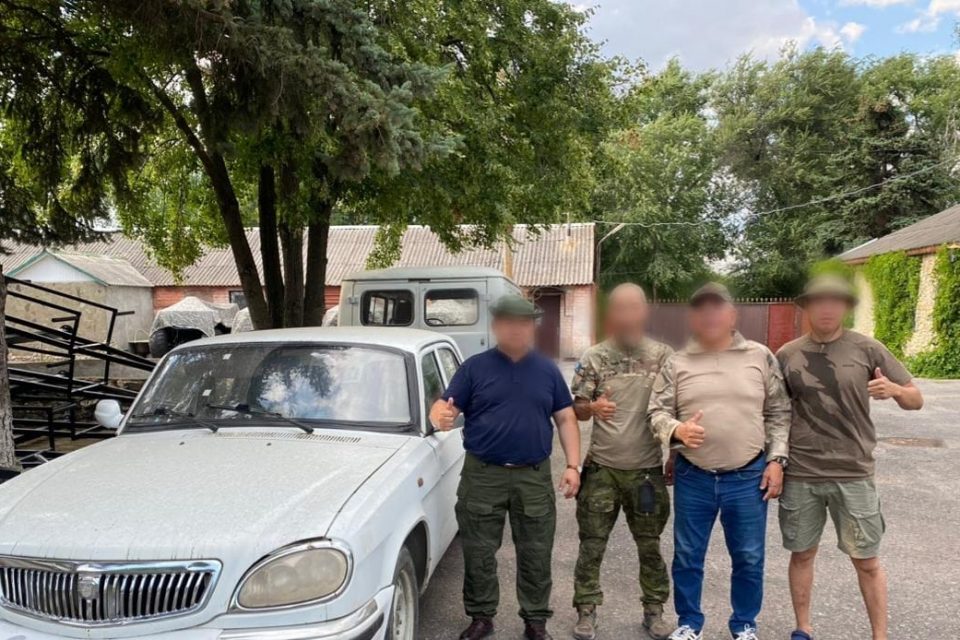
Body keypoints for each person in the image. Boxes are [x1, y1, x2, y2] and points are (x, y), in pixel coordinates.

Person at [776, 275, 923, 640]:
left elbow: (916, 399)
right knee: (802, 554)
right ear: (807, 307)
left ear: (845, 307)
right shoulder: (787, 355)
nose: (827, 308)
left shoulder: (868, 348)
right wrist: (775, 461)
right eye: (819, 301)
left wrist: (894, 390)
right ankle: (803, 628)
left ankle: (879, 635)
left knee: (867, 561)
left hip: (853, 472)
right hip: (802, 472)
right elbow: (775, 412)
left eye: (835, 301)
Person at [429, 294, 581, 640]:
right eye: (508, 321)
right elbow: (444, 405)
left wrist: (573, 465)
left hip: (533, 477)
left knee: (536, 552)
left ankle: (535, 620)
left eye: (523, 322)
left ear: (532, 327)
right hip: (483, 475)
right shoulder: (474, 368)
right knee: (479, 551)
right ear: (496, 326)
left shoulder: (547, 370)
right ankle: (481, 617)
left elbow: (566, 418)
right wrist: (439, 416)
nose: (516, 328)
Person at [648, 282, 792, 640]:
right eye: (702, 309)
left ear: (732, 315)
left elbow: (779, 411)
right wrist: (677, 430)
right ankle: (689, 623)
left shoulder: (760, 356)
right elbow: (656, 412)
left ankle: (744, 624)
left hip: (748, 476)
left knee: (749, 557)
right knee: (687, 555)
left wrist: (776, 460)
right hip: (693, 476)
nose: (710, 315)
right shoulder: (677, 362)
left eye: (718, 308)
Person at [569, 283, 674, 640]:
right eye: (619, 308)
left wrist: (674, 454)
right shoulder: (595, 357)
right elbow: (576, 409)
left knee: (650, 545)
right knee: (591, 544)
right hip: (602, 469)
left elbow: (676, 408)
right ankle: (586, 610)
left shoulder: (664, 356)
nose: (627, 315)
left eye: (634, 307)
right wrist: (592, 407)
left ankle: (654, 610)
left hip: (646, 472)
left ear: (645, 311)